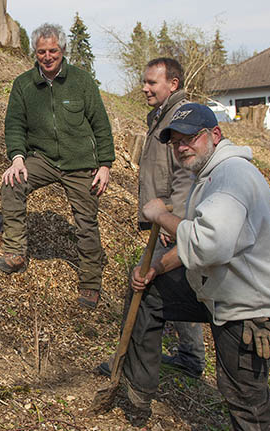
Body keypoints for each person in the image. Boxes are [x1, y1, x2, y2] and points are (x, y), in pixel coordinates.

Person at [123, 103, 270, 431]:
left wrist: (160, 214)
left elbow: (210, 244)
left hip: (254, 308)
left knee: (246, 400)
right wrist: (158, 266)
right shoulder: (210, 176)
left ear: (215, 136)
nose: (182, 147)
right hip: (224, 291)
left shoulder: (231, 177)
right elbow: (200, 244)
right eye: (176, 142)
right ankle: (137, 391)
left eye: (191, 137)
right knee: (148, 292)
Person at [0, 23, 115, 309]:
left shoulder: (82, 81)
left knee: (86, 222)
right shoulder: (23, 85)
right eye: (41, 52)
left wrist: (105, 165)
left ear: (62, 50)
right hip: (44, 159)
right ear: (34, 53)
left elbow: (100, 123)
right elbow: (14, 125)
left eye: (53, 51)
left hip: (80, 163)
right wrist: (17, 158)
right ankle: (15, 252)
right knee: (12, 183)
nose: (47, 56)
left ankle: (89, 282)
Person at [100, 58, 205, 378]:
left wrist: (173, 222)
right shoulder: (160, 115)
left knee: (144, 286)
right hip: (163, 217)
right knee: (173, 284)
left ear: (173, 84)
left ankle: (127, 359)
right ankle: (191, 355)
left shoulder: (180, 118)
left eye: (152, 83)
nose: (144, 88)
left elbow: (188, 176)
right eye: (144, 82)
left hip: (171, 218)